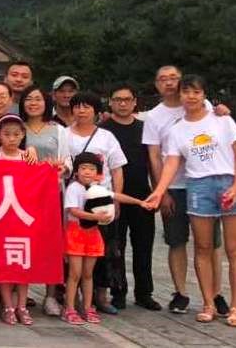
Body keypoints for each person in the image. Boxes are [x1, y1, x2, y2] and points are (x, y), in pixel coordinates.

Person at [144, 75, 236, 328]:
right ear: (179, 96)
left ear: (204, 95)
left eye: (196, 92)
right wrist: (159, 191)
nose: (191, 97)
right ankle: (208, 303)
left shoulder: (222, 120)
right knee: (202, 247)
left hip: (228, 181)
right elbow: (171, 162)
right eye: (186, 92)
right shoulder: (177, 129)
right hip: (198, 185)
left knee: (234, 249)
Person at [65, 90, 129, 317]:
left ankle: (99, 297)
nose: (81, 110)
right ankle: (71, 300)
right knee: (73, 252)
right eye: (77, 106)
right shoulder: (64, 135)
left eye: (87, 106)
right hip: (74, 202)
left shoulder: (106, 137)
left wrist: (116, 198)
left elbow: (117, 169)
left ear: (96, 111)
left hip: (102, 203)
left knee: (103, 251)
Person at [63, 153, 145, 325]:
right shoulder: (73, 188)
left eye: (92, 169)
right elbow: (73, 211)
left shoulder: (98, 189)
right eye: (83, 168)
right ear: (76, 171)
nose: (87, 172)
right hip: (76, 233)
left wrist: (139, 202)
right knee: (74, 274)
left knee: (88, 274)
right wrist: (95, 217)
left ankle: (87, 307)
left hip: (93, 234)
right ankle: (69, 308)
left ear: (98, 173)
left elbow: (116, 196)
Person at [101, 83, 161, 311]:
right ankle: (118, 292)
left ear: (135, 102)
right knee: (116, 247)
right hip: (113, 196)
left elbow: (154, 161)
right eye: (118, 99)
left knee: (143, 246)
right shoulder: (103, 130)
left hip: (142, 195)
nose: (123, 104)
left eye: (127, 99)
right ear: (110, 102)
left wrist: (158, 191)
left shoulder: (145, 129)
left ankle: (144, 293)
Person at [18, 83, 71, 316]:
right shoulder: (16, 128)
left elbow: (67, 160)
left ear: (46, 102)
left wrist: (61, 168)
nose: (33, 103)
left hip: (51, 194)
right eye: (29, 99)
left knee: (52, 244)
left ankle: (51, 295)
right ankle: (21, 293)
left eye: (38, 99)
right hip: (23, 196)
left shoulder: (58, 130)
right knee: (23, 242)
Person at [0, 114, 35, 326]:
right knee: (4, 263)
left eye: (16, 134)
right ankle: (8, 306)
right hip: (2, 220)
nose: (11, 139)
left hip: (22, 220)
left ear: (23, 135)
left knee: (23, 263)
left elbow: (39, 182)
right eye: (6, 134)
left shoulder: (27, 158)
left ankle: (22, 306)